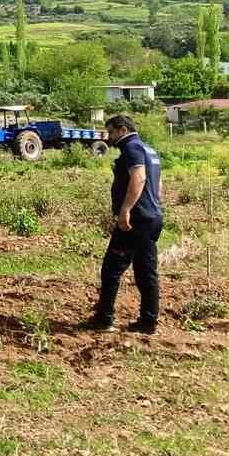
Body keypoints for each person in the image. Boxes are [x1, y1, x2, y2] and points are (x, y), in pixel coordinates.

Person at [82, 113, 164, 335]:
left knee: (111, 269)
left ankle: (104, 319)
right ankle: (148, 323)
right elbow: (158, 185)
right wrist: (155, 207)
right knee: (146, 271)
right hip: (152, 217)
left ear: (122, 130)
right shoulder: (150, 150)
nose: (109, 137)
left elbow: (139, 178)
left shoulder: (131, 148)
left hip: (135, 220)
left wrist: (126, 210)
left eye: (110, 132)